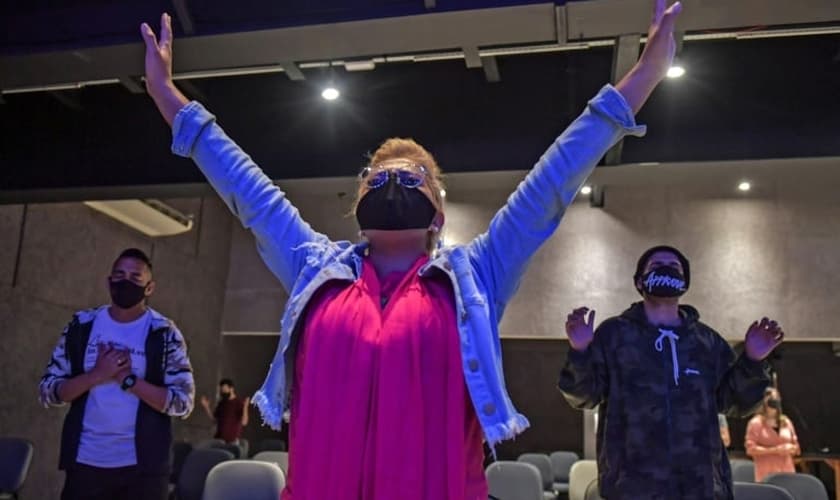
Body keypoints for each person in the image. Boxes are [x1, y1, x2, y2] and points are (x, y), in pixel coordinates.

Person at [140, 1, 682, 497]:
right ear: (358, 209)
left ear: (438, 216)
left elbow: (554, 179)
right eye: (376, 179)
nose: (393, 182)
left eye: (413, 177)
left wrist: (644, 75)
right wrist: (169, 97)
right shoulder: (312, 266)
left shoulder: (478, 274)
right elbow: (247, 190)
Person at [559, 245, 784, 500]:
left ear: (685, 281)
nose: (666, 270)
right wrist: (580, 350)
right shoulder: (614, 336)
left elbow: (736, 404)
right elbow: (582, 396)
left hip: (701, 487)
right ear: (639, 281)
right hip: (631, 488)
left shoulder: (706, 342)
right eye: (656, 266)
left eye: (674, 267)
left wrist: (753, 359)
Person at [39, 248, 195, 500]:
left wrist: (128, 379)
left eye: (135, 278)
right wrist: (97, 374)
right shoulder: (81, 325)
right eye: (119, 275)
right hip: (85, 463)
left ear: (149, 288)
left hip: (144, 469)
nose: (125, 282)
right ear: (109, 281)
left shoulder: (164, 333)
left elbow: (182, 402)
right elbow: (49, 391)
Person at [745, 387, 800, 481]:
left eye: (776, 398)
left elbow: (797, 448)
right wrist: (775, 450)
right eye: (771, 399)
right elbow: (750, 449)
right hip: (766, 474)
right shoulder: (756, 423)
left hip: (787, 472)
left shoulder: (786, 421)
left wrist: (791, 448)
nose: (774, 401)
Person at [200, 378, 250, 443]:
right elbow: (214, 420)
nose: (223, 392)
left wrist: (245, 407)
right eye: (221, 390)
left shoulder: (239, 403)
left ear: (231, 389)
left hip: (232, 440)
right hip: (219, 439)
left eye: (224, 389)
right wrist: (206, 407)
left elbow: (244, 422)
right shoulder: (221, 403)